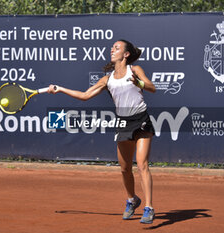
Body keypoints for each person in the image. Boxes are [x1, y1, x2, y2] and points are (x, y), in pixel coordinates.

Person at [48, 39, 156, 224]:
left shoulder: (135, 70)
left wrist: (139, 83)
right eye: (112, 47)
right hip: (123, 122)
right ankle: (132, 200)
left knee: (142, 164)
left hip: (141, 120)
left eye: (117, 48)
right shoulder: (107, 80)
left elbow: (152, 88)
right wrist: (60, 89)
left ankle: (149, 207)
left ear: (126, 54)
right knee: (124, 169)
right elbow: (85, 96)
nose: (112, 50)